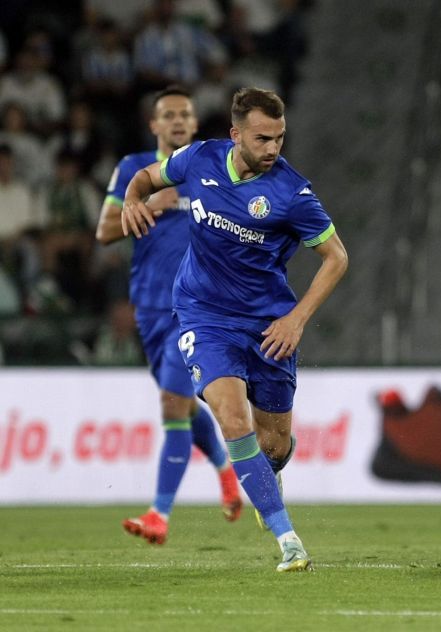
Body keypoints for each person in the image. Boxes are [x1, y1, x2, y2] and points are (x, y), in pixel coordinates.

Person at [120, 87, 349, 572]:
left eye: (279, 138)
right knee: (232, 418)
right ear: (236, 135)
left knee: (274, 445)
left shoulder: (292, 194)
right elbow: (146, 177)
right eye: (263, 138)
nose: (273, 148)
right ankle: (289, 540)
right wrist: (132, 200)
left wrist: (296, 319)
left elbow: (336, 258)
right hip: (202, 314)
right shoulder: (199, 158)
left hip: (268, 325)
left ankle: (269, 474)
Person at [96, 86, 242, 545]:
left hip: (196, 307)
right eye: (168, 115)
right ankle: (225, 470)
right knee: (182, 405)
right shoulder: (133, 170)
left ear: (195, 125)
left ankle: (159, 514)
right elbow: (103, 232)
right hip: (149, 308)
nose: (177, 121)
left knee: (172, 406)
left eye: (185, 114)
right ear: (154, 125)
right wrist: (144, 206)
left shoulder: (209, 169)